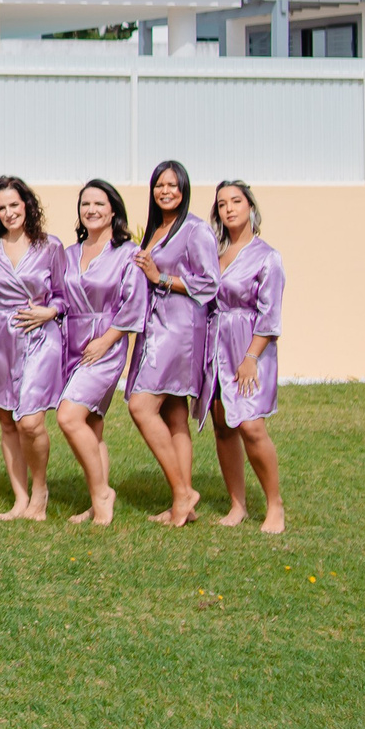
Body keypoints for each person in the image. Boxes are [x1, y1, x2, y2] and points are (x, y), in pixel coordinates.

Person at [126, 159, 218, 527]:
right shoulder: (155, 228)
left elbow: (210, 283)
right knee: (174, 414)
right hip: (154, 326)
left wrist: (160, 277)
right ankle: (184, 504)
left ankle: (182, 492)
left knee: (141, 405)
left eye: (173, 185)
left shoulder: (195, 230)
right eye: (159, 185)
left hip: (178, 330)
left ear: (184, 190)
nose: (165, 191)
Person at [55, 179, 147, 528]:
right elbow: (56, 295)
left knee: (69, 416)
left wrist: (106, 340)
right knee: (91, 424)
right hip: (71, 344)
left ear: (113, 211)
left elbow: (134, 303)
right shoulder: (68, 253)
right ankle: (97, 501)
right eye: (85, 204)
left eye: (99, 204)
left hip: (104, 346)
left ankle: (102, 494)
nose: (91, 210)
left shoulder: (127, 253)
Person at [0, 175, 63, 521]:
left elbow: (64, 295)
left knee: (30, 422)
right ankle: (20, 499)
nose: (9, 212)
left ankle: (40, 490)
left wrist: (50, 311)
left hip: (39, 336)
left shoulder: (50, 246)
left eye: (14, 204)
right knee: (8, 422)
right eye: (1, 208)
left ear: (27, 205)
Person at [206, 180, 289, 533]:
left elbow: (270, 317)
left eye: (236, 201)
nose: (229, 209)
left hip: (250, 347)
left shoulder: (267, 256)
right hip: (216, 345)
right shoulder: (214, 253)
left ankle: (274, 505)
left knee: (252, 426)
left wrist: (251, 357)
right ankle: (237, 504)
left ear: (250, 207)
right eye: (222, 204)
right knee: (223, 426)